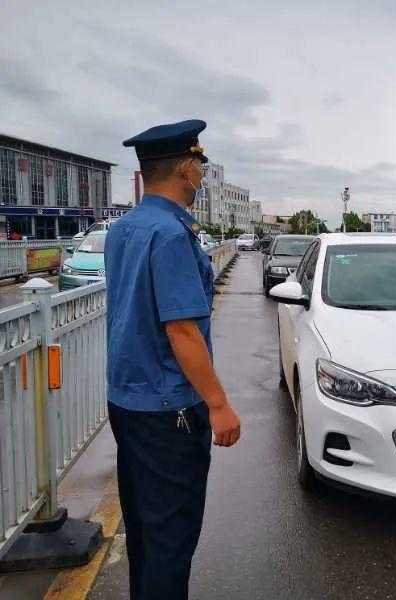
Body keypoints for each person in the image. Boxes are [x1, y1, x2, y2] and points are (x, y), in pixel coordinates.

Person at [105, 119, 241, 599]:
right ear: (185, 167)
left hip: (128, 403)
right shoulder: (171, 235)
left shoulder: (124, 229)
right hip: (170, 413)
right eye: (199, 165)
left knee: (144, 528)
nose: (201, 176)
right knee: (171, 538)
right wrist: (218, 403)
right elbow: (182, 329)